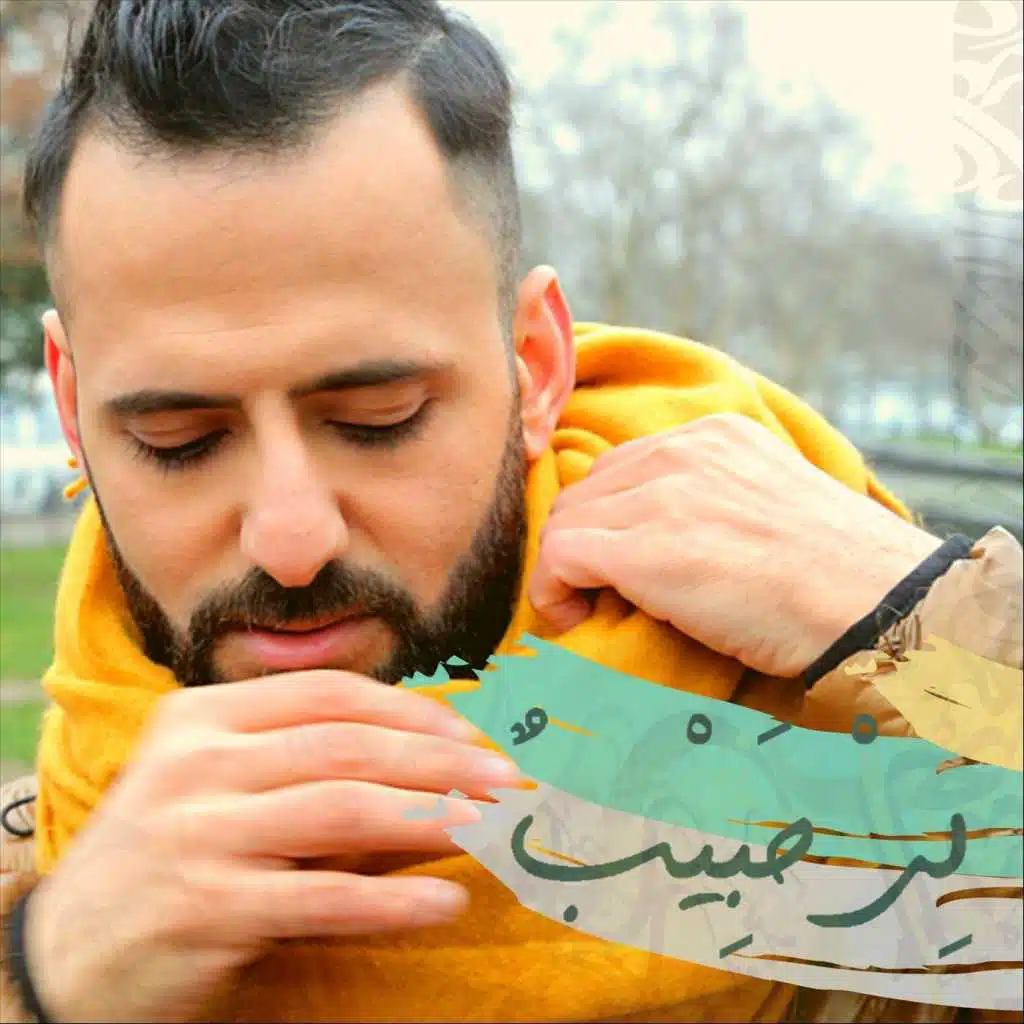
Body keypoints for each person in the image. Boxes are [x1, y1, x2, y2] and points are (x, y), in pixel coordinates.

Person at [1, 1, 1021, 1022]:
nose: (292, 541)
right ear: (72, 407)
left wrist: (944, 624)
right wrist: (41, 974)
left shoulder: (882, 724)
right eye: (178, 440)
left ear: (535, 367)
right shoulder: (43, 860)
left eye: (377, 419)